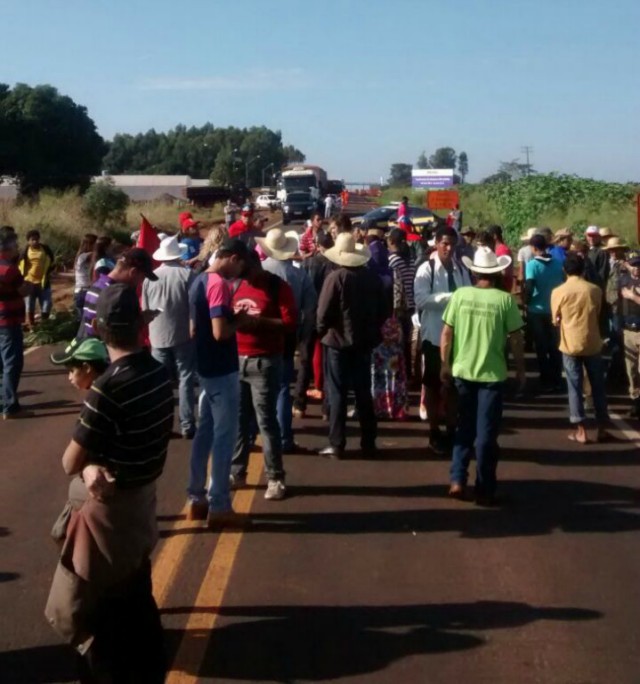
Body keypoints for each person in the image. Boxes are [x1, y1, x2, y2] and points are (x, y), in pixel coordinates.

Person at [45, 284, 174, 682]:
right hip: (143, 496)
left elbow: (70, 460)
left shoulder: (108, 387)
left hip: (110, 507)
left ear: (100, 332)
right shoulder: (157, 372)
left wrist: (87, 468)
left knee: (94, 606)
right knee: (136, 587)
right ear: (140, 329)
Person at [441, 246, 525, 505]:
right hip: (492, 375)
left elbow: (446, 333)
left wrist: (445, 364)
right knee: (486, 435)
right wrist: (520, 369)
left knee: (463, 428)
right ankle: (485, 487)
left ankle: (457, 479)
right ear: (497, 272)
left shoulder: (460, 295)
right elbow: (516, 338)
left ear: (474, 272)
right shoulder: (505, 300)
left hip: (462, 371)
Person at [187, 238, 252, 525]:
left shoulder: (199, 280)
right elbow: (220, 333)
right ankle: (220, 505)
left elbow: (194, 329)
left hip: (204, 365)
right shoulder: (218, 286)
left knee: (205, 434)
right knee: (225, 437)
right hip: (222, 368)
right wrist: (240, 321)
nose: (239, 271)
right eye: (240, 264)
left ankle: (196, 497)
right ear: (232, 257)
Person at [230, 251, 297, 500]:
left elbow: (290, 323)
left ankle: (275, 477)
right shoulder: (235, 284)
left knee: (265, 421)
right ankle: (237, 472)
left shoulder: (277, 286)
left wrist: (258, 324)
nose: (245, 278)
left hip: (265, 360)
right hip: (236, 360)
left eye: (247, 273)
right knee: (239, 420)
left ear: (256, 265)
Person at [317, 233, 388, 459]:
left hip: (337, 343)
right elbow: (383, 311)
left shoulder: (336, 278)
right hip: (364, 342)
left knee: (337, 393)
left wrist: (322, 331)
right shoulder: (372, 278)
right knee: (363, 392)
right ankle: (369, 441)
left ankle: (337, 443)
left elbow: (322, 314)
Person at [414, 226, 472, 453]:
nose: (448, 248)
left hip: (459, 336)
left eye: (452, 244)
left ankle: (451, 428)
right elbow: (421, 300)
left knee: (455, 386)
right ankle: (433, 430)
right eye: (444, 244)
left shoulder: (461, 270)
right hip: (434, 336)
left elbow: (468, 295)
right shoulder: (426, 269)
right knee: (433, 385)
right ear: (436, 244)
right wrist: (454, 298)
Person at [259, 228, 317, 451]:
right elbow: (310, 307)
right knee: (283, 386)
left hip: (261, 333)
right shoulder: (299, 274)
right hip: (289, 332)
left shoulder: (260, 271)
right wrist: (304, 332)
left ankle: (260, 432)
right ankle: (284, 437)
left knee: (261, 385)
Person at [50, 248, 159, 363]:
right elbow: (117, 333)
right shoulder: (116, 295)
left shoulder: (98, 284)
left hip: (94, 350)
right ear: (133, 272)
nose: (141, 282)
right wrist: (141, 320)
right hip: (107, 356)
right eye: (142, 277)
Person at [142, 235, 197, 439]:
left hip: (157, 335)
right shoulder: (187, 274)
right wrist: (194, 326)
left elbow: (145, 309)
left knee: (160, 384)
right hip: (183, 334)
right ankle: (187, 425)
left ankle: (161, 425)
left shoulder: (150, 277)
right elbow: (193, 306)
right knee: (186, 379)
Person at [551, 253, 609, 443]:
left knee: (574, 387)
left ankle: (581, 430)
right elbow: (598, 312)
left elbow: (555, 320)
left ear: (564, 271)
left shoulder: (559, 292)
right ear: (583, 269)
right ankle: (602, 427)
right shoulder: (595, 290)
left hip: (570, 343)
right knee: (598, 386)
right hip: (592, 341)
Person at [296, 232, 336, 411]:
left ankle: (299, 403)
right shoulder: (335, 265)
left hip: (309, 316)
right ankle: (327, 408)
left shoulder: (307, 264)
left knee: (305, 362)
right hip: (328, 318)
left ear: (318, 246)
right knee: (328, 363)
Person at [525, 234, 565, 392]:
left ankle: (545, 378)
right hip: (554, 309)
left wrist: (527, 302)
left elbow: (529, 285)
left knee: (541, 346)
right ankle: (557, 378)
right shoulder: (557, 263)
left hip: (537, 309)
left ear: (534, 248)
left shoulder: (532, 264)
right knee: (555, 345)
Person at [0, 227, 33, 419]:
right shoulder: (10, 270)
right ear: (8, 247)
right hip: (8, 321)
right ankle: (10, 406)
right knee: (12, 362)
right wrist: (29, 284)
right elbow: (24, 290)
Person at [387, 228, 416, 380]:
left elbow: (395, 286)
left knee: (396, 342)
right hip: (410, 305)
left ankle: (397, 374)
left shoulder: (393, 260)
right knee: (406, 342)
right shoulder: (409, 259)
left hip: (398, 307)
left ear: (391, 241)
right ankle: (407, 374)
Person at [618, 255, 640, 418]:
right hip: (628, 330)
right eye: (633, 265)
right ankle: (635, 402)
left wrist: (633, 297)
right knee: (631, 369)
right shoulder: (623, 281)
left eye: (639, 265)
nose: (636, 268)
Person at [19, 229, 55, 327]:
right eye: (32, 240)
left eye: (36, 239)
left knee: (46, 304)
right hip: (29, 282)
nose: (35, 241)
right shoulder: (25, 251)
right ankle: (32, 325)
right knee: (30, 305)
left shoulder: (45, 249)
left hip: (43, 282)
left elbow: (52, 261)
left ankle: (45, 324)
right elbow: (20, 265)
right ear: (28, 241)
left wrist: (49, 271)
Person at [73, 233, 98, 317]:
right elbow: (95, 255)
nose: (97, 247)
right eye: (96, 244)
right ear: (89, 244)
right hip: (83, 292)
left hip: (82, 292)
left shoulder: (80, 256)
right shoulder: (84, 256)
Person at [487, 225, 514, 292]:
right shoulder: (498, 249)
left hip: (502, 287)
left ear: (495, 236)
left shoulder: (502, 250)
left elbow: (504, 272)